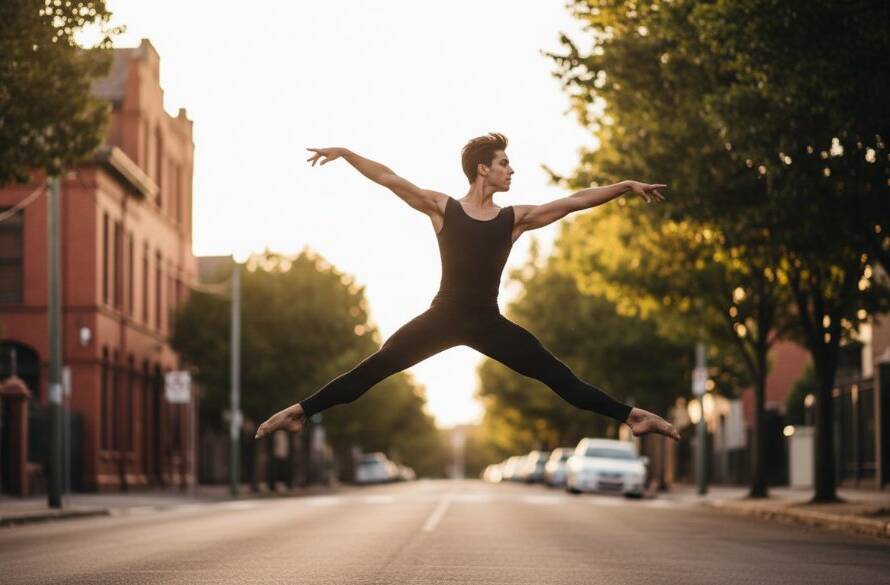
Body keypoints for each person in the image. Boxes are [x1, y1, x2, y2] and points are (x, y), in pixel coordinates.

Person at [255, 132, 679, 441]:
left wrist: (624, 187)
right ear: (483, 169)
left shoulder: (514, 219)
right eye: (504, 163)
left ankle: (632, 417)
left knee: (559, 377)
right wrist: (347, 153)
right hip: (442, 317)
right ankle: (300, 412)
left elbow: (573, 201)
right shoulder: (444, 209)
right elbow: (389, 178)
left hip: (488, 323)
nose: (511, 170)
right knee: (375, 367)